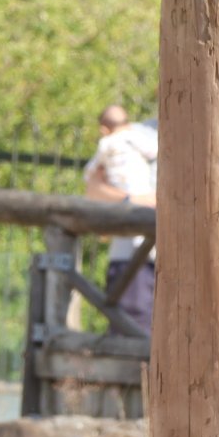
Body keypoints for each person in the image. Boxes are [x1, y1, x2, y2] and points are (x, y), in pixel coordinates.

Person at [83, 104, 158, 336]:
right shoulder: (139, 132)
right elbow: (93, 187)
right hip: (135, 254)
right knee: (130, 335)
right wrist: (131, 200)